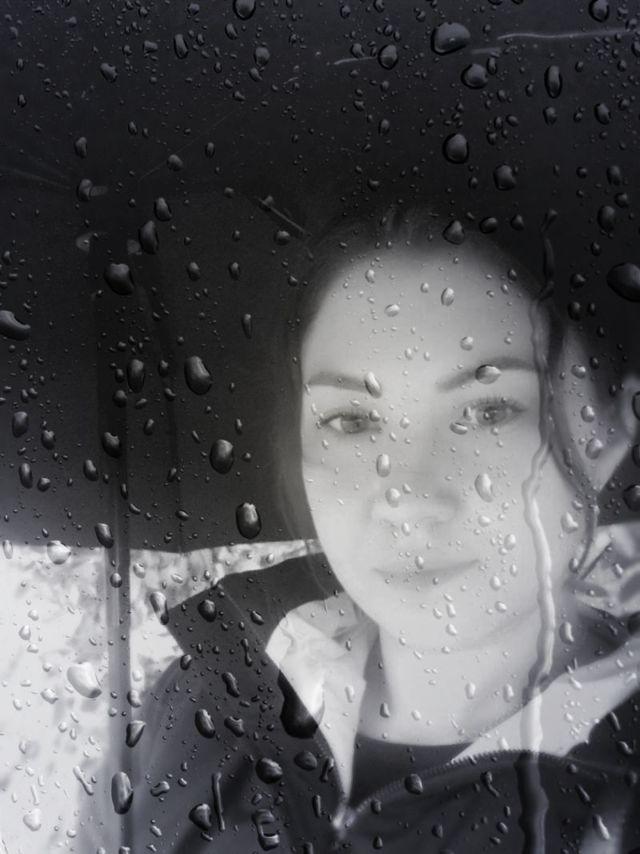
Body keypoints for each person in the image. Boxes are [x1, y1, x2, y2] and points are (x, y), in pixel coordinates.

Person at [76, 204, 640, 852]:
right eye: (351, 421)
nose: (409, 495)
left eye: (490, 411)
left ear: (610, 429)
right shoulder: (195, 704)